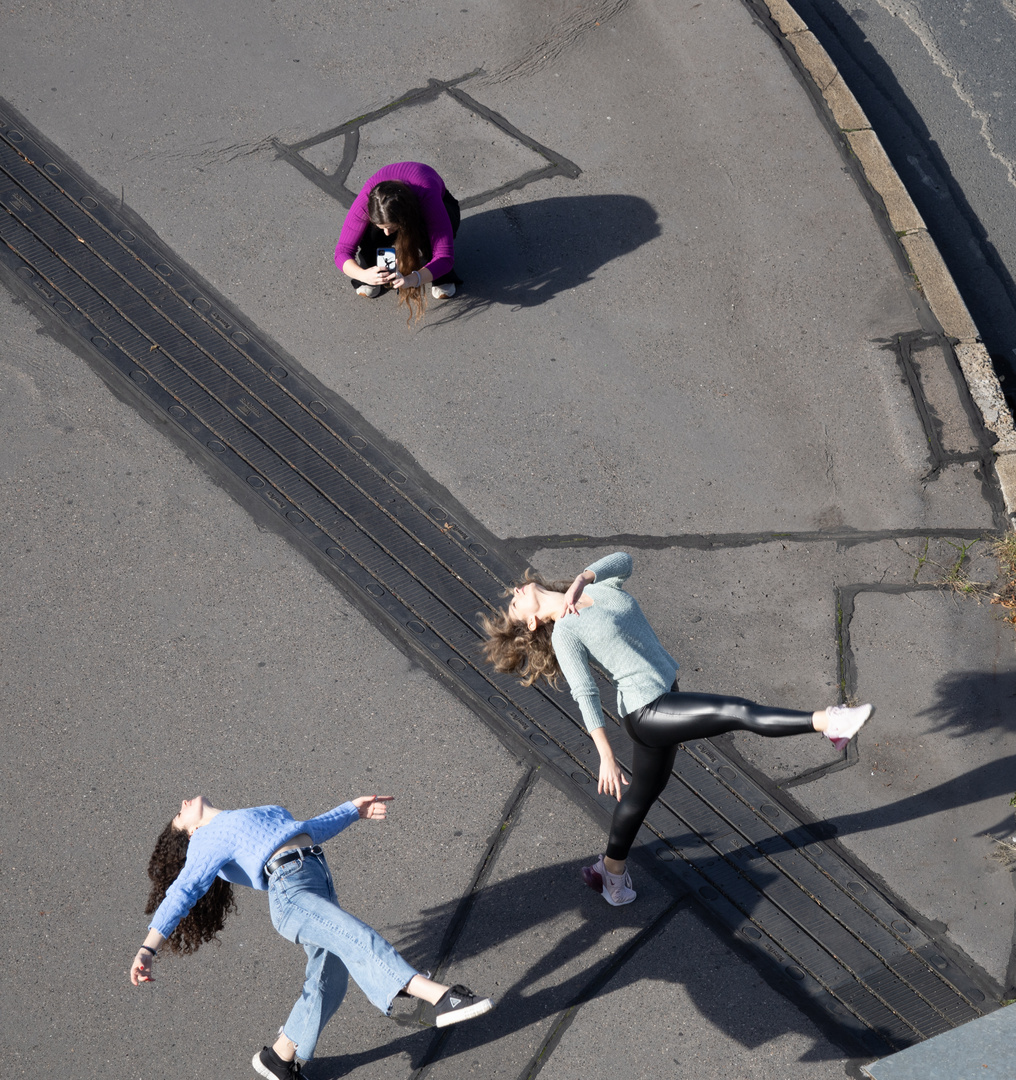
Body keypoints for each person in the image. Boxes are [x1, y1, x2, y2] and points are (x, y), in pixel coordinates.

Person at [481, 552, 873, 908]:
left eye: (513, 594)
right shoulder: (566, 631)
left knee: (643, 793)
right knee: (737, 711)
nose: (516, 591)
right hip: (648, 712)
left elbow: (625, 560)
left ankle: (609, 872)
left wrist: (582, 579)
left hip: (664, 694)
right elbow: (584, 693)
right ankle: (830, 723)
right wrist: (605, 755)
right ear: (532, 621)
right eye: (515, 603)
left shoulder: (596, 587)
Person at [130, 794, 493, 1079]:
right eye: (179, 816)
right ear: (190, 833)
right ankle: (439, 998)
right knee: (357, 937)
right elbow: (183, 891)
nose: (182, 806)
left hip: (314, 880)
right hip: (291, 894)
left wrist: (353, 809)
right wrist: (149, 947)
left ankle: (279, 1057)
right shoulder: (205, 840)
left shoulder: (245, 817)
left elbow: (306, 830)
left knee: (328, 981)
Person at [334, 161, 462, 321]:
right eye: (383, 227)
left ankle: (442, 278)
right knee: (371, 234)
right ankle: (373, 271)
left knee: (432, 236)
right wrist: (363, 275)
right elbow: (342, 251)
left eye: (391, 228)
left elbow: (445, 256)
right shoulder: (368, 199)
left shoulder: (427, 195)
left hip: (432, 205)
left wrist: (412, 279)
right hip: (400, 210)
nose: (387, 233)